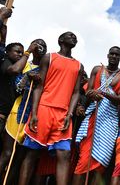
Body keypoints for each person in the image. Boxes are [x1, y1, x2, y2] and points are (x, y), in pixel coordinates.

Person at [19, 32, 83, 185]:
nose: (73, 37)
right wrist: (34, 113)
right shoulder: (50, 57)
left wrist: (70, 114)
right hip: (44, 109)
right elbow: (39, 87)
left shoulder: (79, 65)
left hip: (63, 113)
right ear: (61, 40)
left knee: (64, 154)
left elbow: (76, 93)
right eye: (69, 36)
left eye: (75, 37)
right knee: (32, 153)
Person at [72, 47, 120, 184]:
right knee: (84, 160)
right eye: (112, 54)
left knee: (100, 163)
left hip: (110, 121)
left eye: (117, 55)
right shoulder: (97, 70)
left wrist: (103, 93)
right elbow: (89, 91)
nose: (114, 56)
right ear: (108, 55)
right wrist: (92, 94)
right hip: (93, 117)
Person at [0, 39, 46, 183]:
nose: (40, 47)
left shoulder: (48, 70)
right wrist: (27, 76)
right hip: (17, 111)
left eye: (43, 46)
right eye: (37, 44)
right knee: (8, 153)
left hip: (34, 117)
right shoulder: (24, 64)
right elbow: (17, 88)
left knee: (18, 158)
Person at [0, 42, 24, 132]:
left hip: (7, 116)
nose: (20, 55)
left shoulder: (18, 68)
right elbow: (14, 70)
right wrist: (27, 53)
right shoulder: (5, 61)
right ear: (7, 52)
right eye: (17, 52)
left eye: (22, 53)